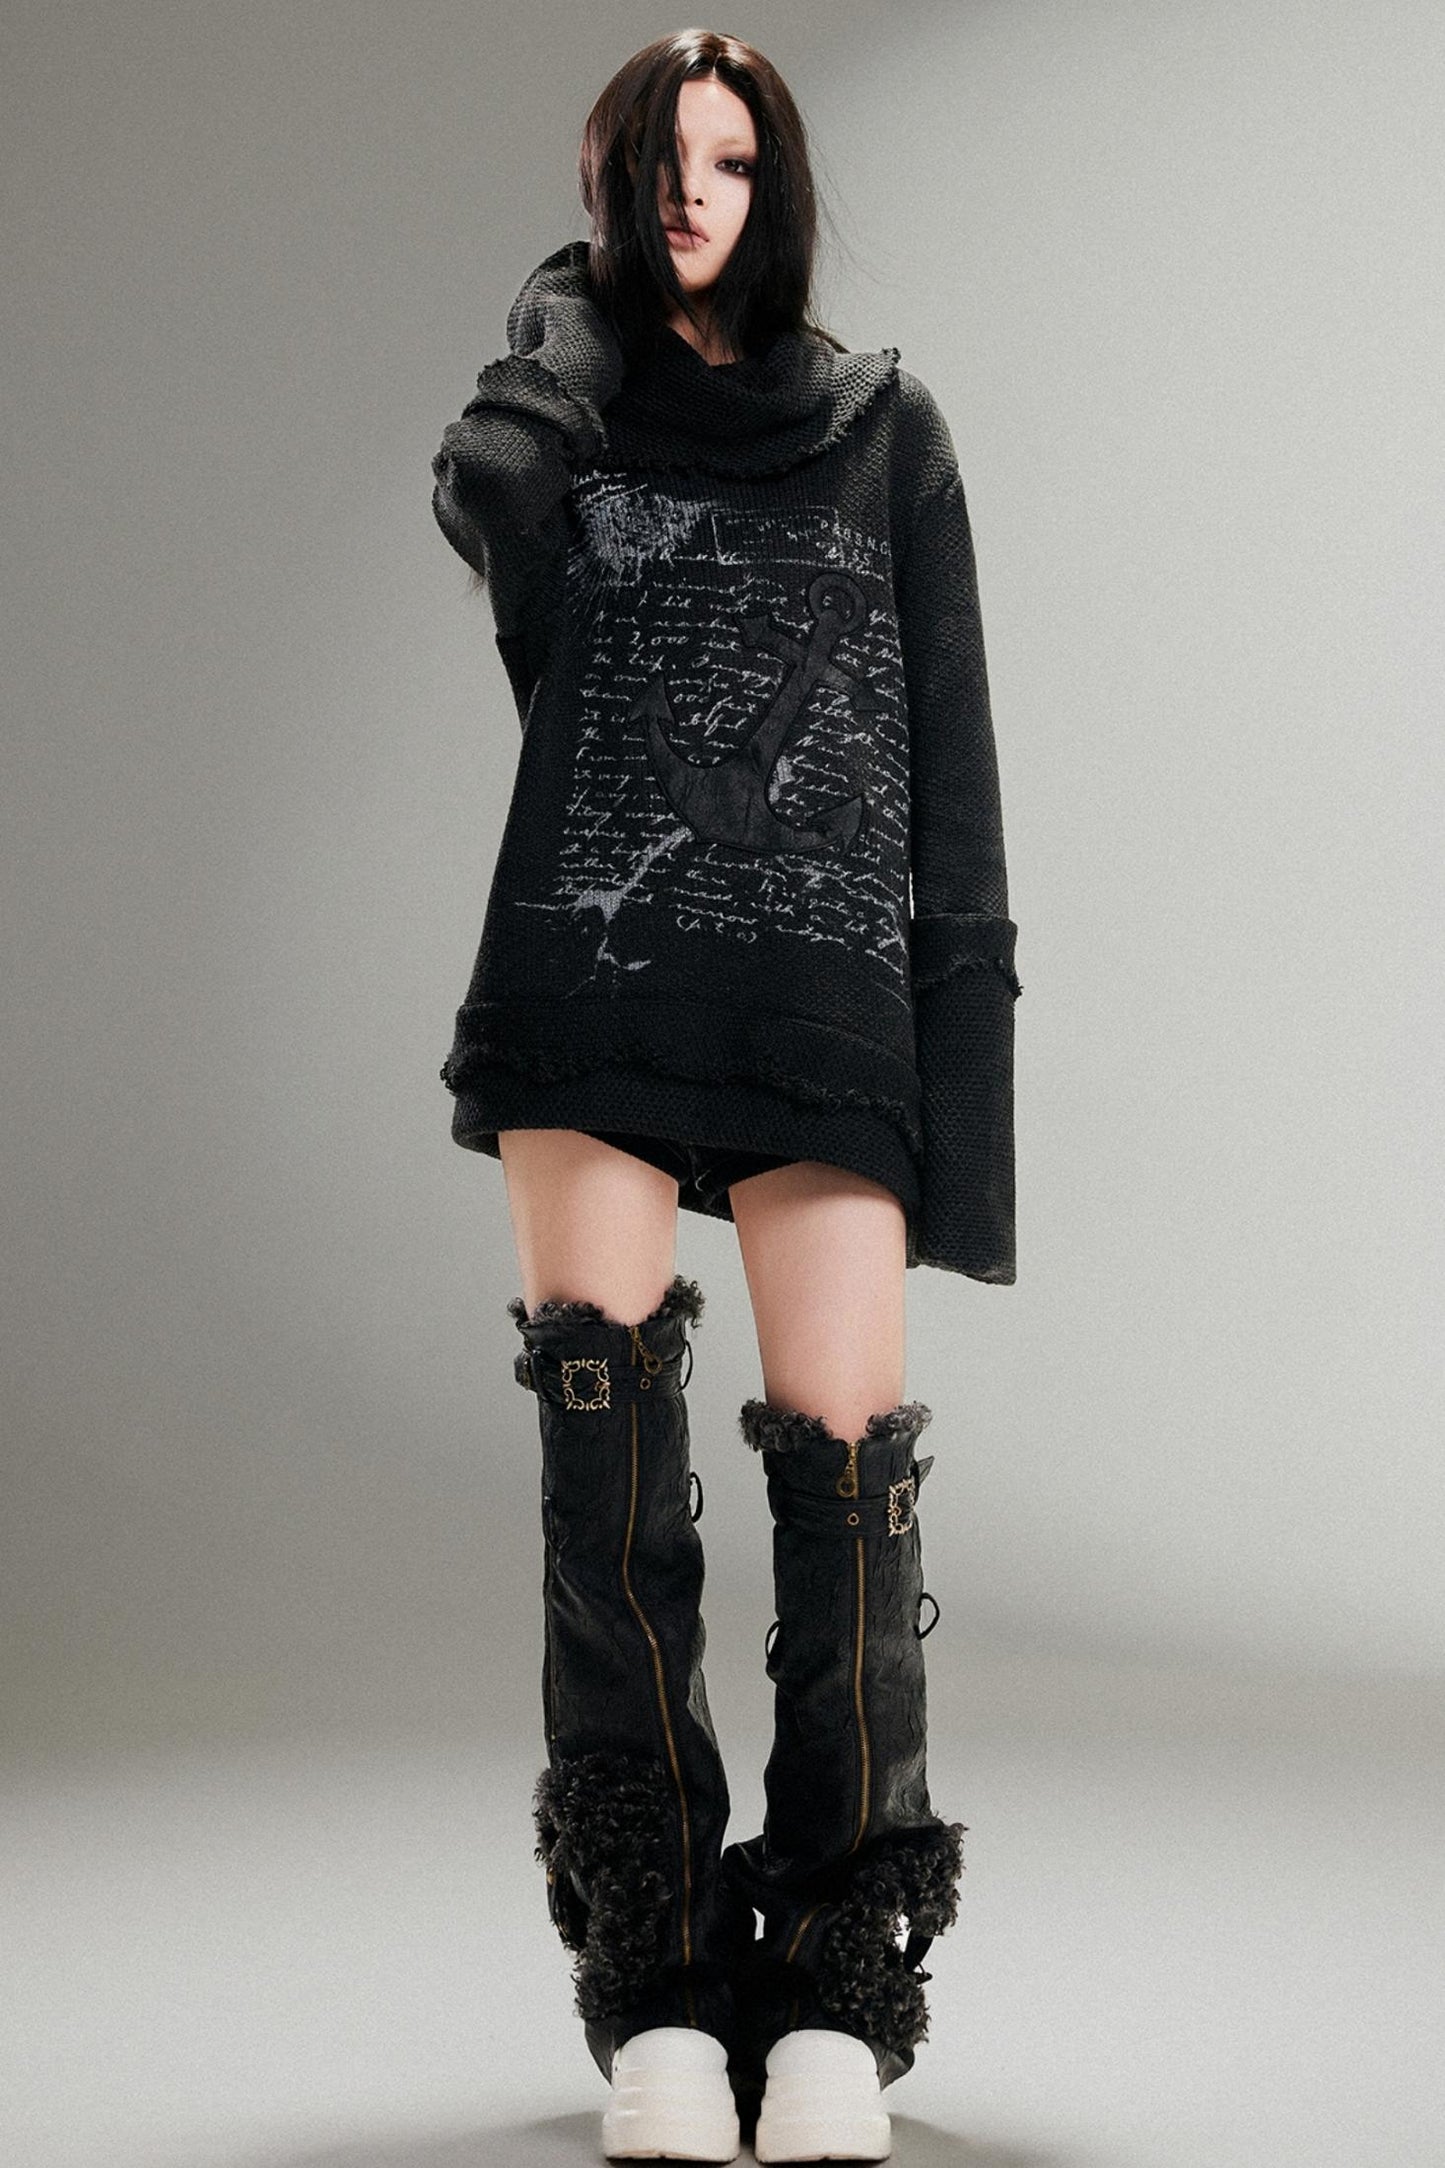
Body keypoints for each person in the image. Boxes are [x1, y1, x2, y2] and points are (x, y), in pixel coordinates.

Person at [429, 28, 1021, 2163]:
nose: (694, 194)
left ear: (776, 184)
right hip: (593, 978)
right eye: (654, 163)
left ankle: (840, 1985)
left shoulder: (883, 432)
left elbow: (951, 792)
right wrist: (565, 319)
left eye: (731, 159)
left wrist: (966, 1112)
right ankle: (663, 1980)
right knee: (607, 1481)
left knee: (848, 1491)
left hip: (820, 997)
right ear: (603, 184)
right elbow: (481, 492)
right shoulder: (564, 415)